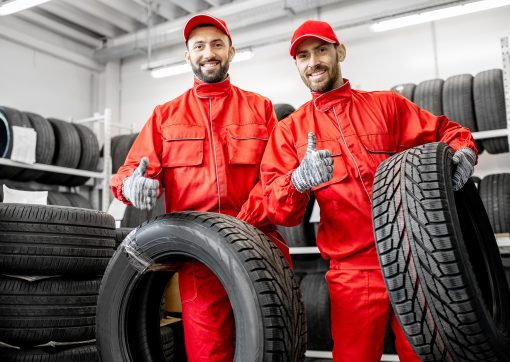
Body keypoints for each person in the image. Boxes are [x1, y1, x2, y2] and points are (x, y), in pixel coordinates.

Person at [260, 20, 477, 361]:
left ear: (339, 52)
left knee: (427, 355)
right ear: (297, 65)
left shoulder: (386, 106)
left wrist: (464, 152)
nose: (313, 61)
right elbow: (278, 209)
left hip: (415, 260)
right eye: (303, 55)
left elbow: (445, 132)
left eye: (321, 50)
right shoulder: (290, 132)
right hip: (352, 274)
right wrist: (298, 181)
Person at [110, 14, 290, 362]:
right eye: (199, 46)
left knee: (274, 351)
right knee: (209, 355)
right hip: (201, 265)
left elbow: (275, 178)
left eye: (217, 44)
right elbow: (131, 172)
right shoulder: (166, 115)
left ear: (231, 51)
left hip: (261, 248)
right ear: (187, 55)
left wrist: (237, 229)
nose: (209, 52)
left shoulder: (260, 108)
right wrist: (133, 186)